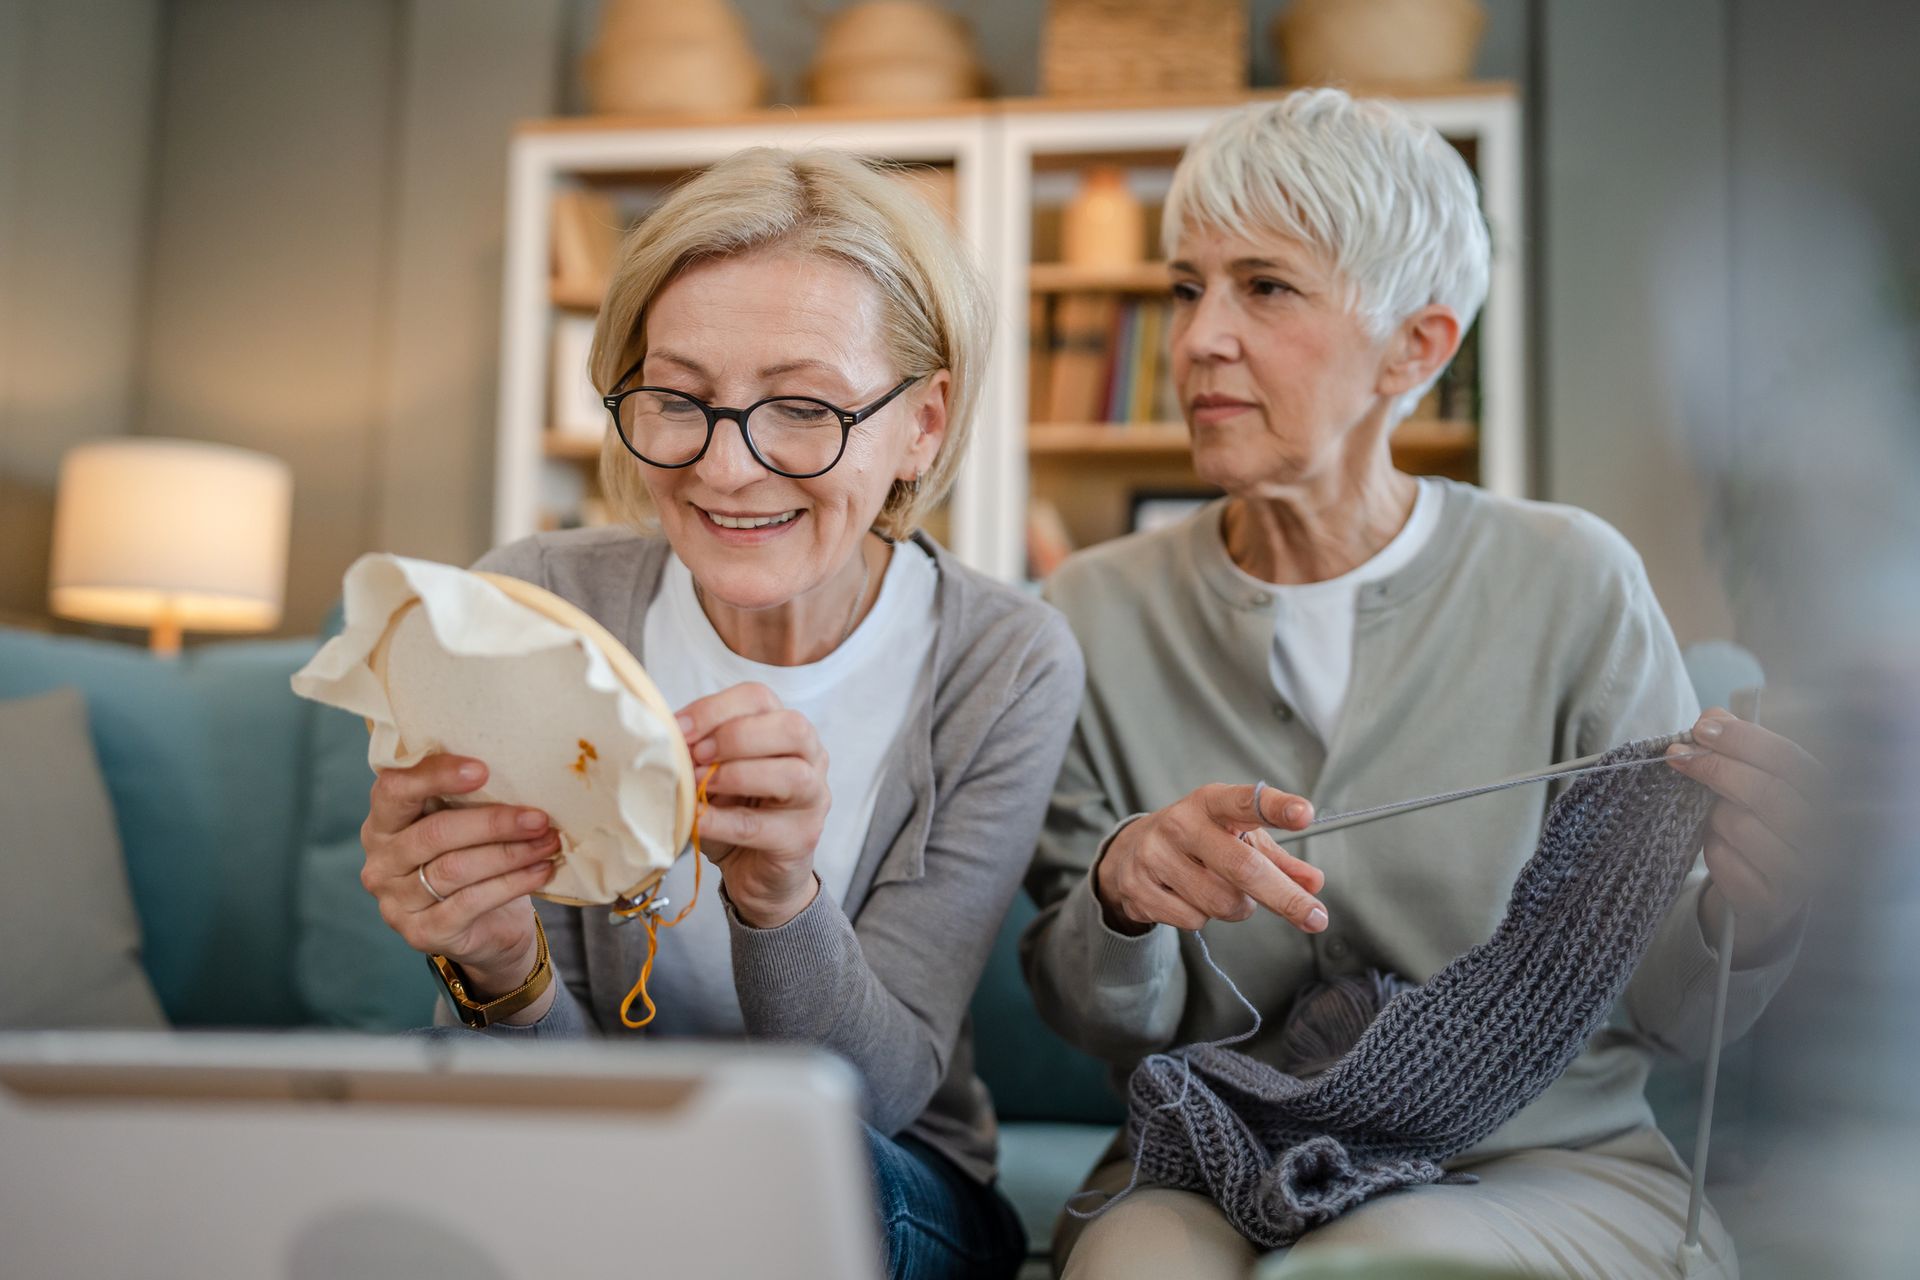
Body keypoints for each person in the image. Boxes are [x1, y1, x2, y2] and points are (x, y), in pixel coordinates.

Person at [1021, 89, 1819, 1278]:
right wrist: (1122, 896)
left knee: (1378, 1261)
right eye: (1188, 287)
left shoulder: (1572, 579)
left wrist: (1753, 906)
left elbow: (1663, 1008)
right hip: (1209, 1155)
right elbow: (1096, 1014)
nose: (1197, 340)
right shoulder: (1085, 611)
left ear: (1419, 346)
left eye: (1266, 287)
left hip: (1536, 1159)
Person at [354, 147, 1082, 1280]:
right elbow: (543, 1109)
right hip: (598, 1156)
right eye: (679, 399)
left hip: (892, 1177)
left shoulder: (1003, 659)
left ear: (923, 424)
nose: (728, 468)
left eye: (801, 407)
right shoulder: (540, 601)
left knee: (798, 1172)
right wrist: (501, 966)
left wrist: (778, 895)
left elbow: (882, 1094)